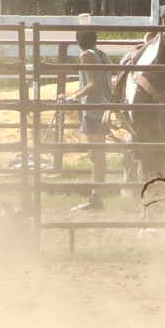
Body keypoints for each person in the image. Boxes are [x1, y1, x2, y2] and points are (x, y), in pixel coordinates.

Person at [58, 30, 112, 212]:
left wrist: (73, 97)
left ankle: (96, 198)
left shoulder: (86, 55)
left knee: (95, 155)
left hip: (92, 109)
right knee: (99, 155)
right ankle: (97, 195)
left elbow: (91, 84)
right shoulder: (103, 56)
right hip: (103, 108)